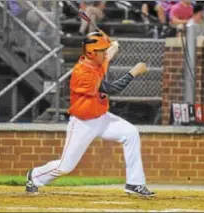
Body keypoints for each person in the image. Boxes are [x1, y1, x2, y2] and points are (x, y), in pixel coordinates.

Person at [25, 31, 155, 197]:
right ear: (91, 53)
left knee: (131, 133)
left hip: (102, 117)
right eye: (101, 50)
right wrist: (134, 72)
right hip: (83, 123)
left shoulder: (97, 60)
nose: (104, 53)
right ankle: (34, 176)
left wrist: (112, 44)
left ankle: (134, 183)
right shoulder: (82, 73)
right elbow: (111, 89)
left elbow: (108, 53)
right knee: (65, 167)